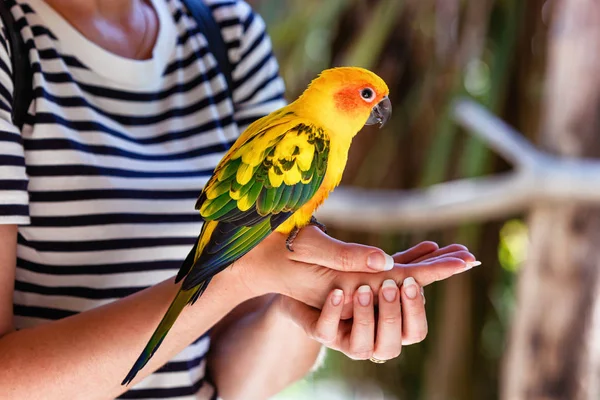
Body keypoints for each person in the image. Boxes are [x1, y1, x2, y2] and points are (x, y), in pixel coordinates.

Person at [0, 0, 478, 399]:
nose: (378, 107)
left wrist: (308, 305)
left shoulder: (229, 34)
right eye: (368, 95)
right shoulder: (309, 142)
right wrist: (236, 272)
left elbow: (236, 375)